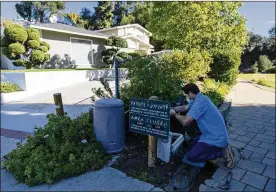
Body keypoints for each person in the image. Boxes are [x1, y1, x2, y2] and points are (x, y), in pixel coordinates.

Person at [170, 83, 235, 169]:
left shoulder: (200, 103)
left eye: (186, 94)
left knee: (191, 156)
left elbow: (186, 121)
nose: (186, 97)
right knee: (191, 145)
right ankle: (220, 148)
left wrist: (174, 114)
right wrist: (171, 108)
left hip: (215, 138)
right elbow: (185, 108)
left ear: (190, 93)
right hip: (211, 134)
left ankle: (223, 152)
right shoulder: (201, 98)